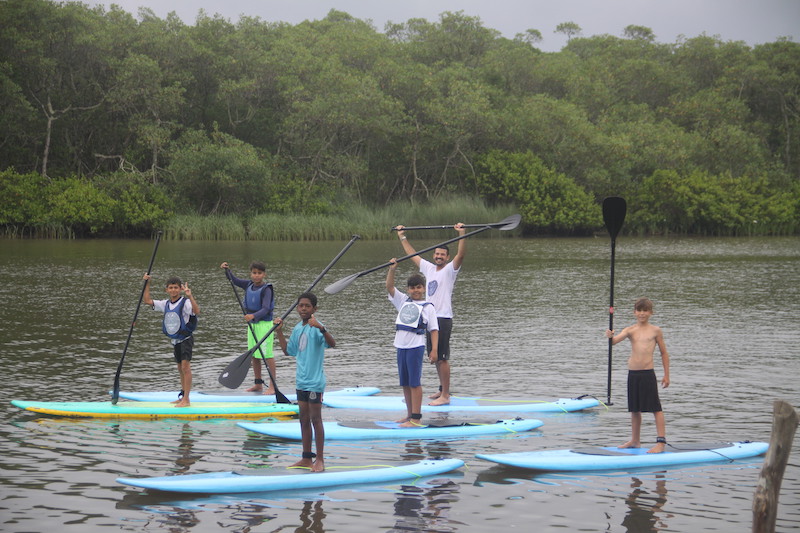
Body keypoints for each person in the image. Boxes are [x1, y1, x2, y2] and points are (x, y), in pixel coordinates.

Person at [394, 223, 466, 406]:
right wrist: (402, 236)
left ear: (447, 257)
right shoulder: (429, 268)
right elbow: (412, 254)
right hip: (429, 317)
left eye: (442, 255)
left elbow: (461, 255)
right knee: (435, 358)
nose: (439, 256)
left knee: (442, 358)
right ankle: (442, 389)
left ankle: (446, 395)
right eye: (436, 254)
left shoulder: (450, 270)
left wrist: (462, 234)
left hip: (443, 318)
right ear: (434, 255)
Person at [273, 292, 335, 472]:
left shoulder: (317, 327)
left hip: (315, 382)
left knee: (316, 419)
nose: (303, 309)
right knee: (303, 419)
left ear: (314, 309)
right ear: (297, 308)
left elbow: (332, 344)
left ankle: (320, 459)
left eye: (307, 306)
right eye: (301, 306)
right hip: (301, 381)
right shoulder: (297, 329)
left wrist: (322, 328)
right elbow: (288, 351)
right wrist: (279, 332)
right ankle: (306, 458)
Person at [605, 297, 671, 453]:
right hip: (633, 374)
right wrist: (609, 336)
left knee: (656, 408)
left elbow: (663, 353)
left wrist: (666, 375)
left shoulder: (655, 331)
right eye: (639, 310)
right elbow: (614, 342)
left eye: (645, 310)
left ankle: (661, 442)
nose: (642, 313)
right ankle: (635, 441)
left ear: (651, 312)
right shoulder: (630, 330)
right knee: (635, 409)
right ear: (634, 312)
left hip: (648, 373)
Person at [386, 259, 439, 427]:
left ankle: (416, 418)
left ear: (423, 289)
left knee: (414, 383)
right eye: (412, 288)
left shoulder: (428, 307)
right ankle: (409, 415)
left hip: (415, 347)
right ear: (408, 290)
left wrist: (434, 350)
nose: (415, 290)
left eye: (418, 287)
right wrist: (392, 270)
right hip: (400, 347)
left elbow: (434, 330)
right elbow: (390, 287)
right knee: (405, 383)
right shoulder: (403, 301)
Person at [143, 274, 199, 408]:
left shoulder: (185, 302)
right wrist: (147, 283)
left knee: (185, 367)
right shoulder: (165, 304)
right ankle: (182, 396)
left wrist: (190, 296)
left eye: (176, 288)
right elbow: (147, 301)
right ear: (167, 290)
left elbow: (196, 311)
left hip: (185, 339)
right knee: (180, 368)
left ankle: (187, 400)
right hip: (175, 340)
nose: (173, 290)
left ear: (180, 289)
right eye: (171, 288)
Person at [220, 261, 276, 395]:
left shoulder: (267, 289)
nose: (256, 275)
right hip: (252, 325)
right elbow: (234, 280)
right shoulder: (248, 284)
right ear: (251, 274)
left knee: (267, 355)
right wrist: (227, 270)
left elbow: (266, 308)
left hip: (264, 325)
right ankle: (258, 384)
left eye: (259, 273)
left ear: (264, 274)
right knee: (254, 355)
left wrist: (253, 316)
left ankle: (273, 386)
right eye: (254, 273)